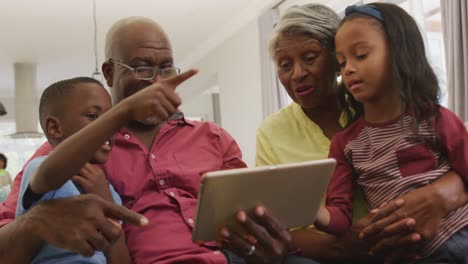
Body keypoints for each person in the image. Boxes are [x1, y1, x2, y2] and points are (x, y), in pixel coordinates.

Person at [220, 4, 468, 264]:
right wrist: (342, 244)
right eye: (284, 64)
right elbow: (289, 222)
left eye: (310, 57)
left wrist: (440, 195)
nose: (298, 74)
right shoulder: (289, 135)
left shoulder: (394, 108)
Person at [316, 3, 468, 262]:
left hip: (461, 235)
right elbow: (340, 216)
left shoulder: (434, 118)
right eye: (342, 63)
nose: (348, 69)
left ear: (399, 52)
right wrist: (314, 211)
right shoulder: (345, 144)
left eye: (361, 55)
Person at [16, 77, 133, 263]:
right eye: (93, 117)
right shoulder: (42, 170)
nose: (108, 128)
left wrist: (106, 201)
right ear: (54, 128)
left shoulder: (107, 189)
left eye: (111, 119)